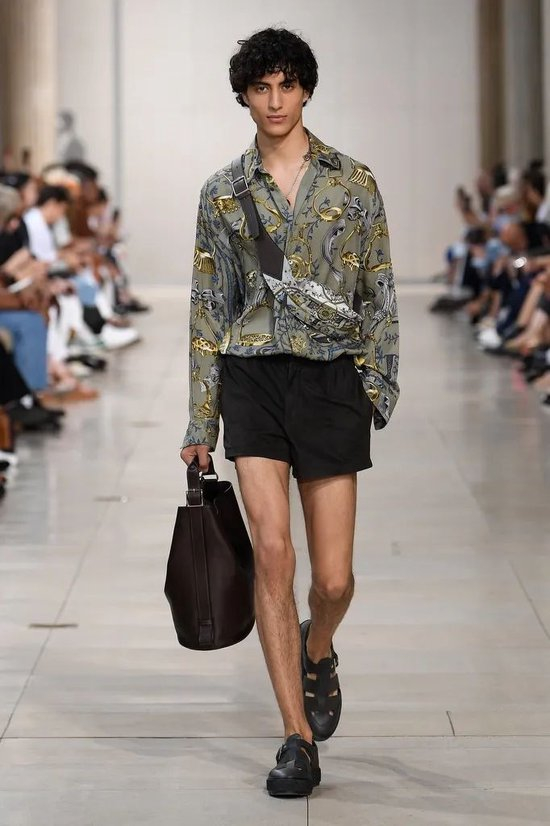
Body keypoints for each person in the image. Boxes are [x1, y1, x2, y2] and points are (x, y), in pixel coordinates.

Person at [179, 28, 399, 798]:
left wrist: (377, 386)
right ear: (244, 95)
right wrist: (201, 422)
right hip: (253, 379)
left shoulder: (353, 183)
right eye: (260, 87)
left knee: (333, 579)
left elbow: (380, 289)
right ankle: (296, 740)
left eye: (286, 85)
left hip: (332, 382)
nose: (274, 101)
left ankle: (319, 646)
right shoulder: (223, 192)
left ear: (306, 90)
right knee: (273, 554)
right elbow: (207, 307)